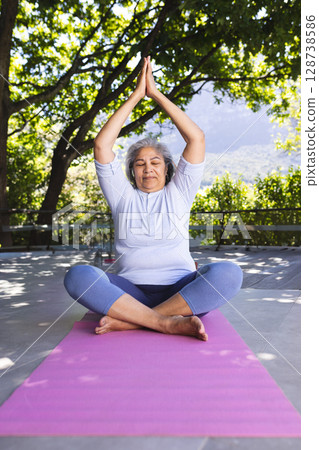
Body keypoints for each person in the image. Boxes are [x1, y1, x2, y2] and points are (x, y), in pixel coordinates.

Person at [64, 56, 243, 341]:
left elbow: (196, 138)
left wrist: (156, 94)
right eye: (140, 163)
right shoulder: (122, 195)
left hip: (180, 291)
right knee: (77, 276)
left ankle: (132, 321)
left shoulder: (180, 191)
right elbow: (102, 144)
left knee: (229, 274)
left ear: (167, 168)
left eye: (156, 162)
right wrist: (136, 95)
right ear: (132, 172)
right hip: (127, 291)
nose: (148, 168)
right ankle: (166, 322)